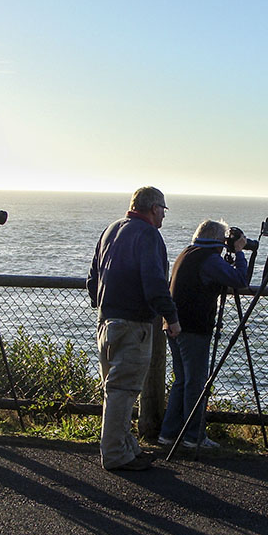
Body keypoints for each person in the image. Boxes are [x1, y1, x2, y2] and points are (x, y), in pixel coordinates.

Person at [87, 186, 181, 471]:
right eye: (163, 208)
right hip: (132, 325)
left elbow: (93, 278)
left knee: (114, 390)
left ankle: (127, 447)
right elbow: (154, 282)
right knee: (123, 391)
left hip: (107, 322)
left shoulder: (111, 230)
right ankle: (116, 454)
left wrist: (103, 303)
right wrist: (171, 316)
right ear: (154, 208)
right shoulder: (149, 235)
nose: (164, 214)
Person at [158, 220, 249, 449]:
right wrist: (238, 253)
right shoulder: (209, 259)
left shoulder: (187, 253)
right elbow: (240, 281)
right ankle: (193, 436)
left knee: (182, 380)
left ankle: (168, 433)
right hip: (193, 328)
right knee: (195, 383)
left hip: (173, 324)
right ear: (219, 240)